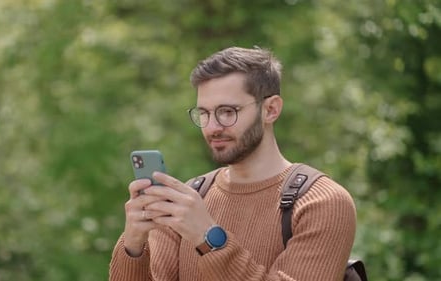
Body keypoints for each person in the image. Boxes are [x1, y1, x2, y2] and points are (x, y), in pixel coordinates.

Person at [109, 46, 356, 281]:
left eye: (227, 112)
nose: (213, 127)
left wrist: (208, 238)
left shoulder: (322, 203)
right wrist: (133, 245)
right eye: (203, 113)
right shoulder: (190, 200)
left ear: (270, 109)